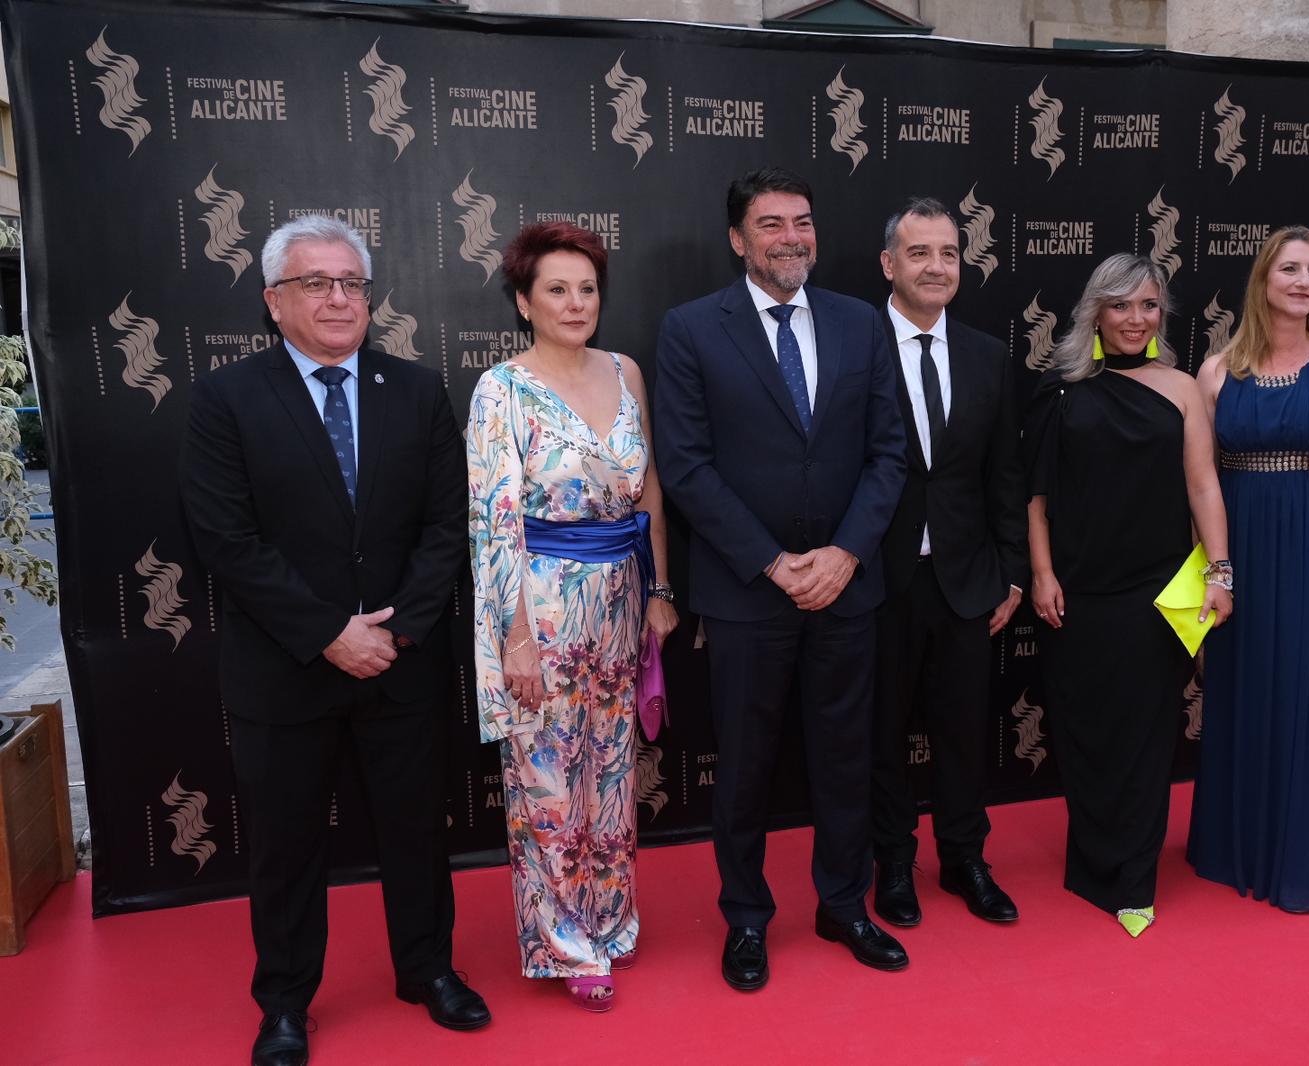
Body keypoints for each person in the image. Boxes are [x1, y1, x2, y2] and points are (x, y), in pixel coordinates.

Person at [180, 215, 489, 1066]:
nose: (339, 298)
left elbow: (444, 526)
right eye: (316, 283)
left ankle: (427, 970)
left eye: (352, 282)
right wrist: (327, 635)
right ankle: (284, 1003)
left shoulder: (418, 390)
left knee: (418, 834)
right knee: (284, 848)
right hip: (284, 672)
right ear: (274, 302)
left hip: (402, 663)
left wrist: (397, 631)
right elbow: (226, 540)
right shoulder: (226, 399)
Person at [653, 166, 909, 990]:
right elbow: (687, 469)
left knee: (846, 759)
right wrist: (771, 562)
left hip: (847, 587)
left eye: (802, 221)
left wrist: (845, 555)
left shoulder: (859, 324)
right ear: (738, 239)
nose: (791, 236)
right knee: (747, 766)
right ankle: (748, 919)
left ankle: (843, 904)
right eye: (771, 224)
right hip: (745, 594)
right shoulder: (692, 330)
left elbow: (887, 454)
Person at [467, 221, 677, 1012]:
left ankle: (610, 916)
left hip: (622, 597)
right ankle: (564, 943)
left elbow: (648, 485)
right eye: (556, 288)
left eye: (587, 287)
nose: (575, 301)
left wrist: (658, 590)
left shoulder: (626, 371)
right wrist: (514, 637)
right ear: (524, 301)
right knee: (546, 782)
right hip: (543, 606)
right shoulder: (502, 389)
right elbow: (494, 521)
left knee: (613, 771)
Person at [1024, 253, 1232, 939]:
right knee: (1085, 735)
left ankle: (1134, 879)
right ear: (1096, 312)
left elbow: (1203, 485)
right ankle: (1093, 865)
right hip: (1080, 594)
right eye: (1122, 306)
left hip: (1157, 593)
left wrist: (1221, 572)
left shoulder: (1180, 388)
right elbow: (1037, 498)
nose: (1136, 319)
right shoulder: (1060, 393)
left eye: (1149, 306)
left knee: (1146, 739)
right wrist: (1045, 574)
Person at [1186, 225, 1309, 912]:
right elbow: (1204, 483)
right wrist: (1220, 571)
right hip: (1245, 556)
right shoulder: (1215, 372)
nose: (1303, 283)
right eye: (1290, 270)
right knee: (1250, 687)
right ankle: (1240, 845)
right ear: (1263, 280)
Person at [869, 197, 1027, 929]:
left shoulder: (986, 354)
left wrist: (1013, 572)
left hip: (967, 579)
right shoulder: (851, 343)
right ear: (889, 264)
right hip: (876, 579)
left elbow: (1004, 474)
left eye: (949, 254)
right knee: (882, 733)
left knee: (965, 732)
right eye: (920, 252)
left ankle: (965, 859)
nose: (937, 267)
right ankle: (893, 863)